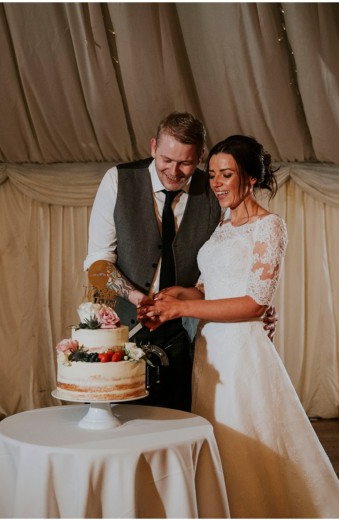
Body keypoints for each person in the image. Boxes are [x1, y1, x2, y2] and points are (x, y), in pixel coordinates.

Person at [138, 135, 339, 518]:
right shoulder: (222, 225)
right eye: (214, 175)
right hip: (211, 350)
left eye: (227, 174)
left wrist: (181, 311)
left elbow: (256, 302)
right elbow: (210, 288)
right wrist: (176, 296)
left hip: (242, 353)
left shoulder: (269, 227)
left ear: (251, 178)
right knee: (218, 437)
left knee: (244, 441)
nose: (217, 183)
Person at [84, 112, 277, 412]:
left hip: (183, 335)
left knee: (176, 425)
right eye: (166, 159)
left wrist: (258, 308)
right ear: (152, 147)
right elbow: (97, 263)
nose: (174, 171)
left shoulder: (215, 191)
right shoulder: (117, 180)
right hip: (119, 331)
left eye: (185, 163)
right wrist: (137, 297)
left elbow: (234, 258)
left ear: (200, 156)